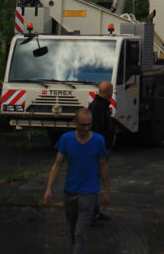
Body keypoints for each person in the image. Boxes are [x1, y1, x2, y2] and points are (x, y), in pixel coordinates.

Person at [44, 107, 110, 254]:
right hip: (70, 191)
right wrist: (49, 188)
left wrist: (107, 191)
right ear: (75, 122)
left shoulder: (99, 141)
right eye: (82, 125)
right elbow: (57, 164)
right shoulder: (66, 139)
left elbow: (103, 165)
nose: (86, 128)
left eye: (89, 125)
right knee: (73, 230)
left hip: (89, 192)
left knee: (81, 232)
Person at [89, 81, 114, 222]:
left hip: (101, 150)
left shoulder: (100, 106)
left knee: (97, 182)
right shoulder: (97, 108)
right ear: (109, 92)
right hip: (98, 153)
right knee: (94, 182)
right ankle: (92, 213)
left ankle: (95, 211)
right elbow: (96, 131)